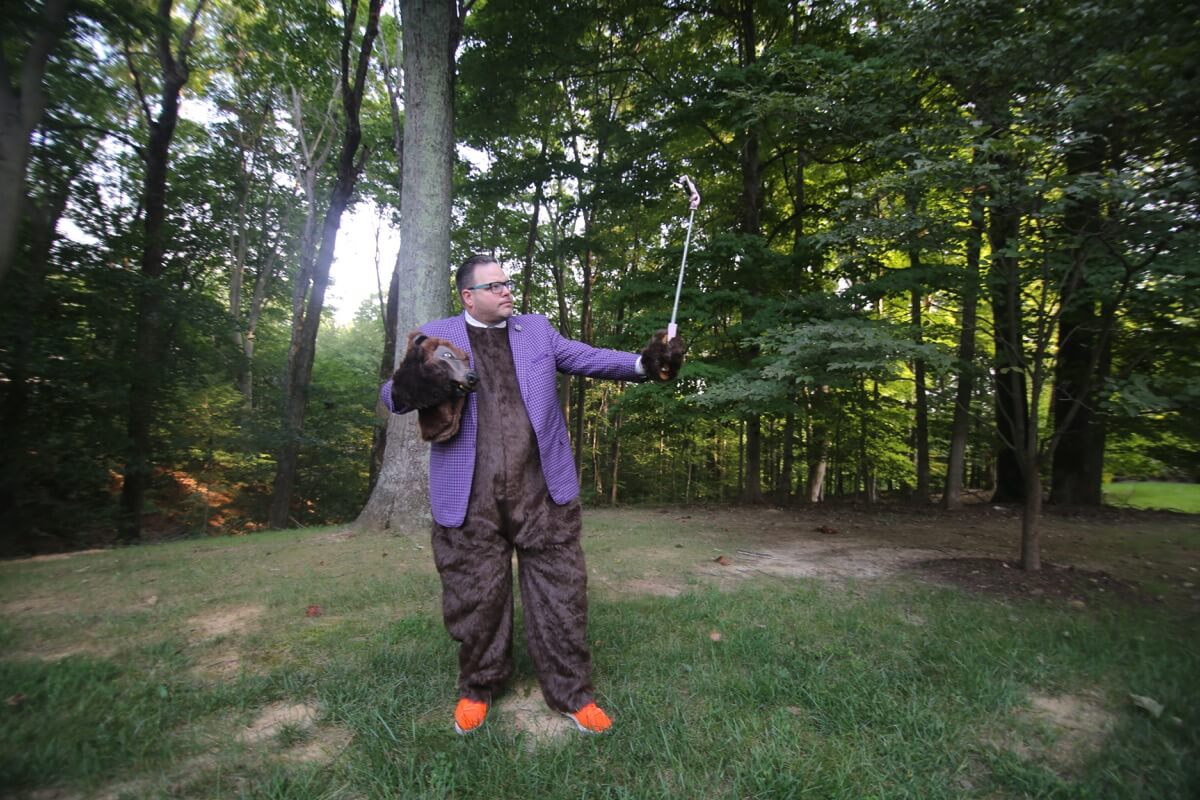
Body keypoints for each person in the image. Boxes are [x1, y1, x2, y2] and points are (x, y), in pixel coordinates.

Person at [379, 253, 685, 735]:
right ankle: (477, 687)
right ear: (468, 296)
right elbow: (391, 397)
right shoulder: (435, 335)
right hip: (469, 494)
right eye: (494, 284)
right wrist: (415, 382)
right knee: (475, 595)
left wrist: (645, 364)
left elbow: (587, 358)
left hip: (541, 491)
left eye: (508, 282)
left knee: (562, 592)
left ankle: (572, 693)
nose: (506, 290)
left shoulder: (536, 331)